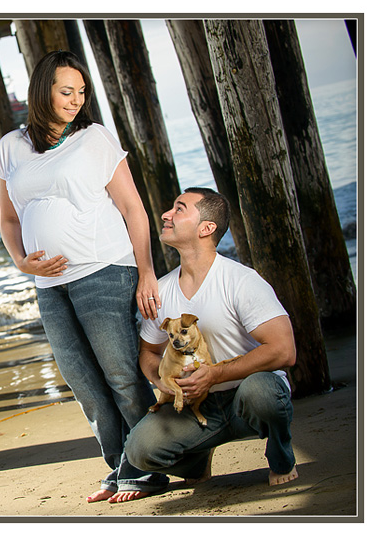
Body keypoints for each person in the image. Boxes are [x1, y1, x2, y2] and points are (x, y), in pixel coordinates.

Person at [0, 50, 168, 503]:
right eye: (65, 91)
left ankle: (148, 465)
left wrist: (147, 272)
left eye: (81, 91)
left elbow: (133, 208)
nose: (75, 100)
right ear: (42, 92)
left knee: (121, 374)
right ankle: (120, 464)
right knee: (81, 381)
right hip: (49, 284)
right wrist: (19, 260)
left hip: (105, 268)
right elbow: (9, 219)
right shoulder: (11, 147)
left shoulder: (95, 139)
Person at [126, 187, 300, 486]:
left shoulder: (241, 281)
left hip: (247, 395)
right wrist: (164, 381)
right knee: (140, 452)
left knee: (262, 393)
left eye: (179, 209)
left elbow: (284, 351)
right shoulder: (162, 291)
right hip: (197, 406)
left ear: (207, 228)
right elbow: (149, 352)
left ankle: (281, 456)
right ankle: (196, 462)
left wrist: (213, 375)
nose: (166, 214)